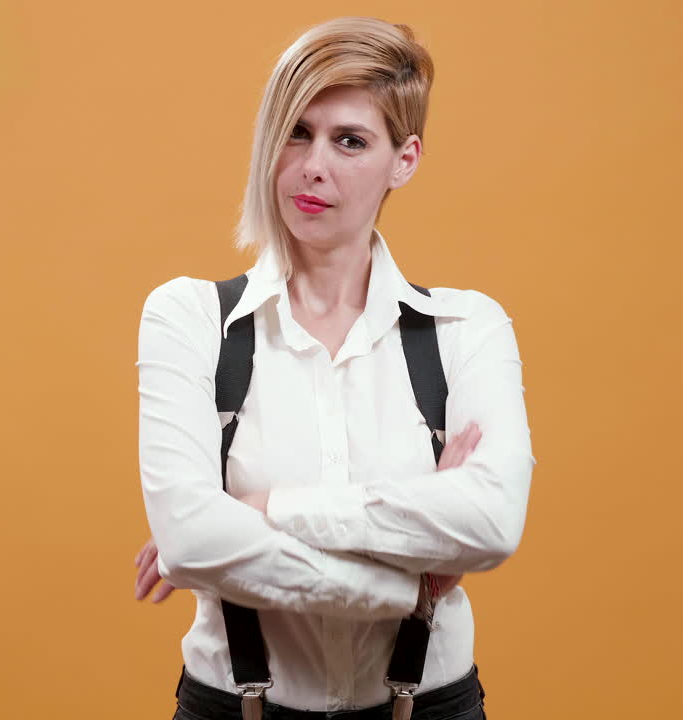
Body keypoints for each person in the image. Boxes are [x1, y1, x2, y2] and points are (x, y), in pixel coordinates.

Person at [133, 16, 536, 720]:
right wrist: (410, 585)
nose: (314, 164)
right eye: (297, 131)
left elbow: (492, 524)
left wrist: (261, 510)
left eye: (349, 140)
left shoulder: (465, 330)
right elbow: (192, 539)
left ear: (404, 160)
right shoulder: (190, 319)